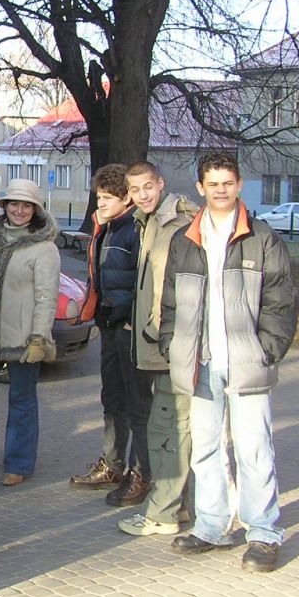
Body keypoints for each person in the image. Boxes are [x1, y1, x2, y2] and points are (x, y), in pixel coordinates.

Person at [160, 151, 295, 573]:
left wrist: (266, 349)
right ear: (200, 188)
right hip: (201, 362)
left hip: (247, 362)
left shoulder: (262, 237)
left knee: (254, 450)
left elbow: (281, 301)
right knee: (205, 449)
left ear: (238, 185)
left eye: (227, 183)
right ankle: (212, 526)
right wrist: (171, 345)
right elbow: (170, 302)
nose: (220, 190)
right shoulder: (185, 239)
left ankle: (263, 533)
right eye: (212, 184)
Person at [117, 161, 199, 537]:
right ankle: (179, 506)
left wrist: (167, 336)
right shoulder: (146, 221)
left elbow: (185, 287)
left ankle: (163, 513)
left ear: (160, 183)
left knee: (169, 429)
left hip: (173, 344)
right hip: (156, 342)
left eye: (147, 187)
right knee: (169, 427)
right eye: (135, 190)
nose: (142, 195)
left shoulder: (180, 222)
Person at [0, 179, 59, 486]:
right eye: (14, 204)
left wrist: (38, 338)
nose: (19, 210)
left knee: (21, 400)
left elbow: (46, 297)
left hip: (23, 337)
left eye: (26, 205)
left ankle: (19, 463)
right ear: (4, 207)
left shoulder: (45, 249)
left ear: (36, 210)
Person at [68, 164, 153, 508]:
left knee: (137, 405)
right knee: (112, 399)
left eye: (106, 198)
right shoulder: (106, 227)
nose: (99, 203)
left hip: (131, 330)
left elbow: (142, 283)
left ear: (125, 199)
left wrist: (124, 313)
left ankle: (140, 474)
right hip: (110, 326)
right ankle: (113, 464)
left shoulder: (135, 230)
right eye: (98, 197)